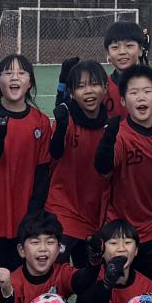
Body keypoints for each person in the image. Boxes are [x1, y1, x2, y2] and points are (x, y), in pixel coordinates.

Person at [95, 63, 152, 290]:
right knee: (116, 287)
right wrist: (107, 140)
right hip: (120, 228)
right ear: (123, 101)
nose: (141, 97)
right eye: (134, 92)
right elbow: (103, 168)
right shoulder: (120, 135)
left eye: (147, 91)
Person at [0, 53, 52, 270]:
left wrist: (34, 213)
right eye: (7, 73)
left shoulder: (41, 122)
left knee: (22, 277)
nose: (14, 77)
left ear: (30, 82)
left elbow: (43, 170)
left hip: (26, 216)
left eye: (21, 73)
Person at [43, 58, 111, 265]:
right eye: (81, 86)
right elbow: (55, 152)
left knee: (88, 280)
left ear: (105, 88)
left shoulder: (111, 127)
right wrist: (60, 128)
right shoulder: (66, 121)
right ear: (72, 93)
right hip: (62, 211)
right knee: (53, 276)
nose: (88, 91)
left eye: (94, 84)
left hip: (93, 219)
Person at [99, 20, 152, 119]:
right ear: (108, 54)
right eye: (115, 47)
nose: (122, 52)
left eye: (129, 46)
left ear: (140, 50)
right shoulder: (103, 89)